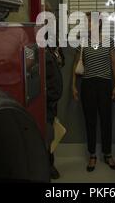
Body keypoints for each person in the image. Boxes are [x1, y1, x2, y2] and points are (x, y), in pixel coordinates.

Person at [72, 12, 115, 172]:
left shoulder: (109, 41)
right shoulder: (83, 42)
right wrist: (73, 86)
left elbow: (114, 64)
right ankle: (92, 155)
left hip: (105, 84)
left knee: (106, 120)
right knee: (90, 121)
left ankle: (108, 154)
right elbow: (75, 65)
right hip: (88, 85)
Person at [45, 44, 65, 179]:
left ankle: (49, 164)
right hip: (44, 100)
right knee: (47, 134)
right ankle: (48, 166)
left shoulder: (54, 46)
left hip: (52, 101)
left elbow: (62, 63)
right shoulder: (41, 46)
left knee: (52, 132)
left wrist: (58, 52)